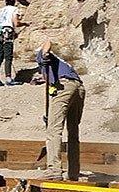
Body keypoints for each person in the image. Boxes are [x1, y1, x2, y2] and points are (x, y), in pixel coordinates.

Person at [36, 40, 85, 181]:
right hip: (79, 86)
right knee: (73, 131)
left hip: (64, 86)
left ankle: (54, 170)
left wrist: (43, 54)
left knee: (53, 130)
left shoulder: (42, 57)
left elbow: (47, 42)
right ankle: (73, 172)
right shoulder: (60, 64)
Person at [0, 0, 23, 86]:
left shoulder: (0, 11)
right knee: (8, 55)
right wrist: (25, 24)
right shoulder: (14, 9)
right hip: (7, 32)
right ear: (14, 2)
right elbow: (16, 23)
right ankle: (8, 78)